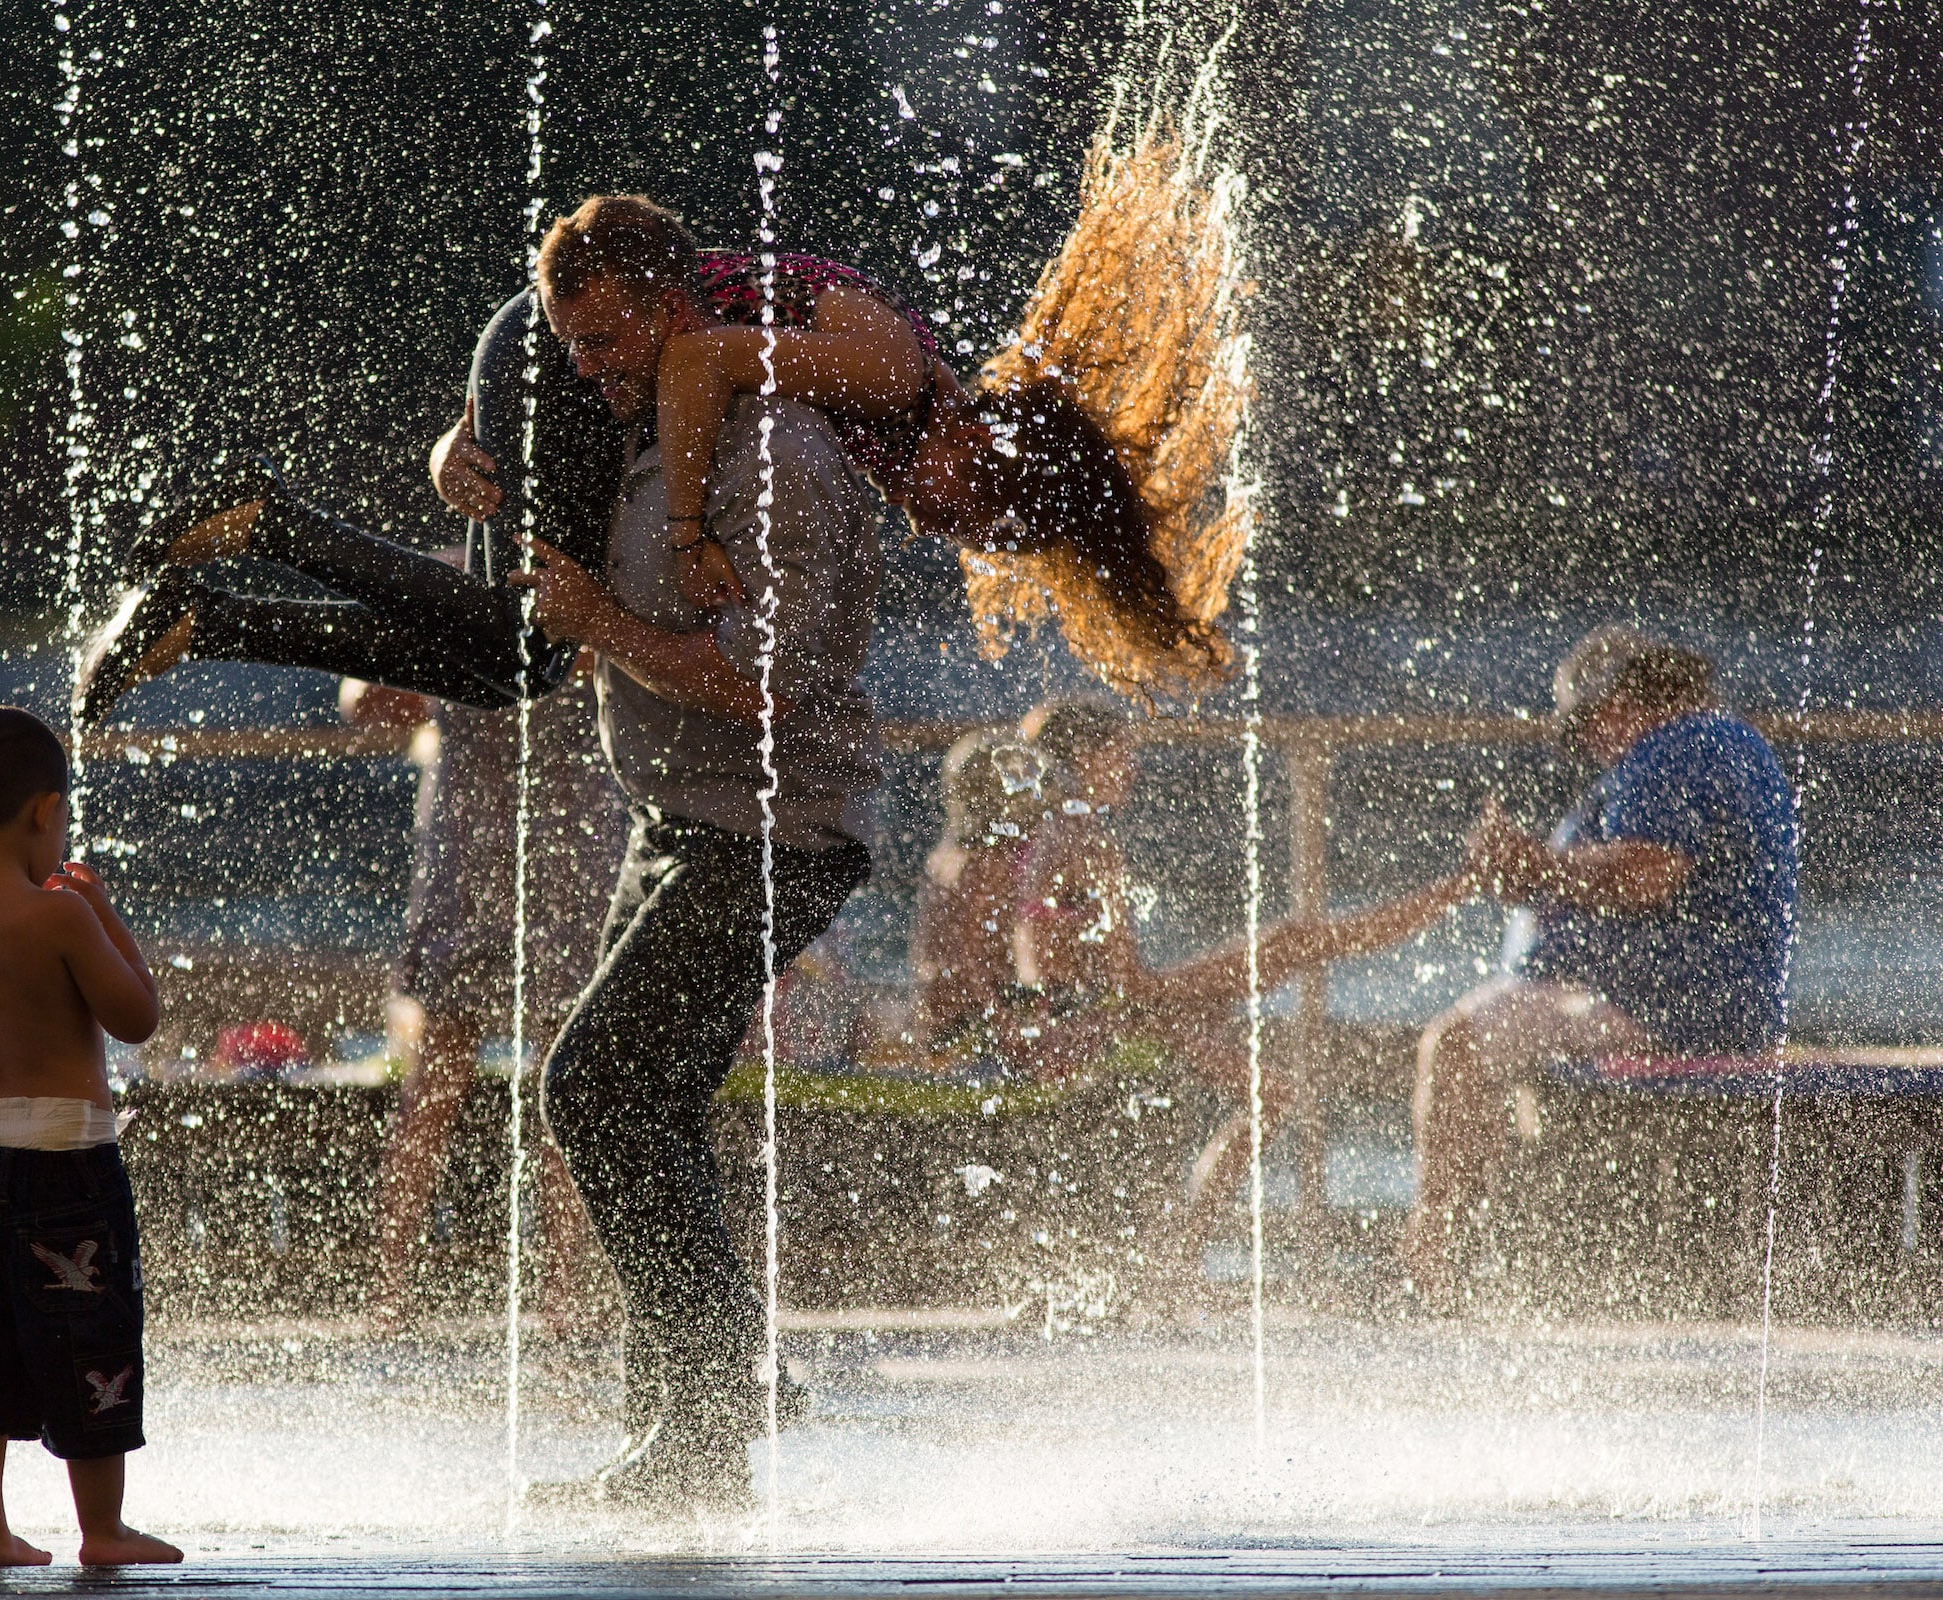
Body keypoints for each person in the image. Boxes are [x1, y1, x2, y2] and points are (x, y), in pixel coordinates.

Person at [74, 142, 1251, 724]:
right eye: (984, 498)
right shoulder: (890, 365)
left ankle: (232, 586)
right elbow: (686, 352)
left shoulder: (902, 422)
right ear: (994, 434)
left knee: (509, 655)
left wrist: (461, 435)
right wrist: (687, 532)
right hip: (554, 352)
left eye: (989, 534)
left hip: (549, 354)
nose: (957, 519)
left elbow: (640, 340)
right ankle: (252, 556)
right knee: (518, 650)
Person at [500, 230, 884, 1510]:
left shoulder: (774, 458)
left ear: (675, 311)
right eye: (571, 346)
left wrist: (599, 627)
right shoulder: (642, 425)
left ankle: (722, 1394)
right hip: (676, 819)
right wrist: (468, 450)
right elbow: (503, 409)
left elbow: (767, 688)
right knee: (641, 1109)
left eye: (608, 340)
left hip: (773, 828)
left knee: (596, 1088)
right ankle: (676, 1439)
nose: (588, 369)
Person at [1400, 627, 1798, 1297]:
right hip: (1685, 995)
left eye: (1581, 728)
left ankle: (1434, 1260)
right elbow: (1619, 872)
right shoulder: (1710, 744)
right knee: (1492, 1052)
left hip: (1672, 1002)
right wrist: (1532, 877)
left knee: (1460, 1045)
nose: (1584, 746)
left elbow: (1647, 874)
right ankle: (1486, 1248)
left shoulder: (1676, 750)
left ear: (1615, 705)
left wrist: (1540, 866)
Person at [1003, 699, 1475, 1236]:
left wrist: (1231, 972)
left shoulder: (1053, 833)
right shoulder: (1090, 843)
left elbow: (1086, 973)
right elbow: (1130, 986)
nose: (1132, 768)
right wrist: (1228, 973)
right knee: (1280, 1032)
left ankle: (1453, 890)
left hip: (1070, 1015)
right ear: (1086, 757)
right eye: (1121, 753)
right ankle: (1456, 889)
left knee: (1289, 950)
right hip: (1089, 1025)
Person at [0, 705, 180, 1570]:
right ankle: (103, 1530)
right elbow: (137, 1017)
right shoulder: (58, 916)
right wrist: (104, 914)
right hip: (70, 1166)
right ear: (45, 812)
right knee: (90, 1333)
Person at [355, 667, 623, 1334]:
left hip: (558, 838)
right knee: (447, 1070)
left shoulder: (576, 585)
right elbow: (364, 703)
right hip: (492, 841)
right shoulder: (469, 574)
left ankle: (562, 1291)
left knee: (558, 1072)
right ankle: (394, 1287)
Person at [911, 730, 1045, 1074]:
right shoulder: (984, 863)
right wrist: (1007, 1029)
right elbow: (970, 965)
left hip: (941, 1015)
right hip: (967, 1022)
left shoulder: (946, 856)